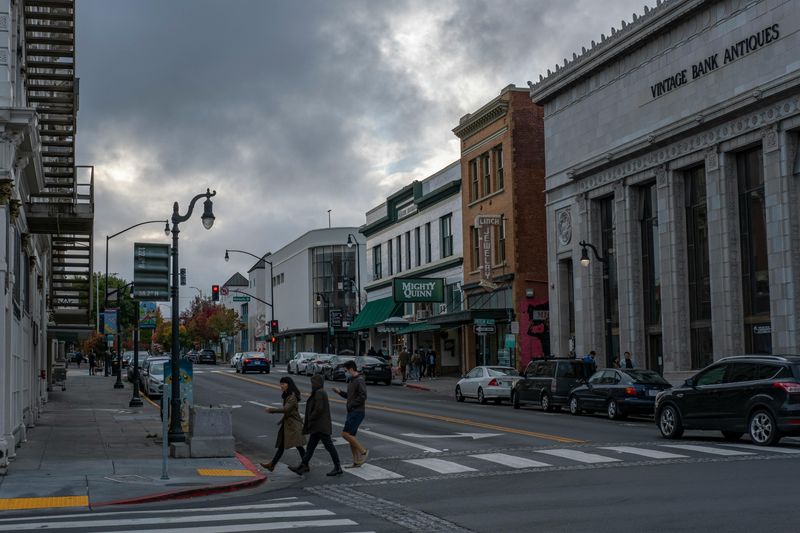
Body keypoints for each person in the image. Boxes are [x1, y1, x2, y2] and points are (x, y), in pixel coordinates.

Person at [289, 374, 342, 477]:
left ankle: (338, 467)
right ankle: (303, 466)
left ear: (316, 383)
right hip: (317, 426)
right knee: (310, 447)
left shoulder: (319, 393)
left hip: (321, 426)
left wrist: (309, 419)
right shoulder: (319, 392)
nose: (311, 384)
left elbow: (318, 409)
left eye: (313, 382)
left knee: (329, 446)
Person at [260, 376, 306, 471]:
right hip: (288, 424)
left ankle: (305, 464)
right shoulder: (287, 395)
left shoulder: (292, 396)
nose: (281, 386)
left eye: (283, 384)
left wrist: (271, 410)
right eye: (281, 384)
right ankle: (272, 464)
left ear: (288, 385)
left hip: (293, 424)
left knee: (298, 445)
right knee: (282, 445)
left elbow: (286, 409)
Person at [332, 360, 368, 468]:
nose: (345, 372)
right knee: (351, 437)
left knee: (345, 434)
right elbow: (349, 396)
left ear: (351, 369)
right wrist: (339, 392)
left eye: (346, 370)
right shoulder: (351, 380)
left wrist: (352, 405)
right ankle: (356, 461)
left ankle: (363, 451)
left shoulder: (359, 380)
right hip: (352, 411)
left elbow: (363, 396)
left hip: (357, 411)